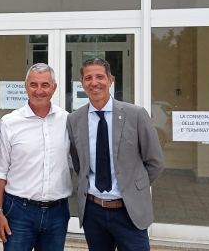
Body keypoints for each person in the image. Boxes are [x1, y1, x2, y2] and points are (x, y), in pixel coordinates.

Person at [67, 57, 164, 251]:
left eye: (100, 77)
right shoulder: (74, 119)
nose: (94, 82)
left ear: (110, 80)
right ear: (82, 82)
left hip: (129, 212)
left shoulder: (136, 115)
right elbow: (79, 164)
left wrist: (134, 188)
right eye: (88, 78)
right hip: (93, 212)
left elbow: (155, 162)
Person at [0, 63, 72, 251]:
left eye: (45, 85)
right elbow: (0, 170)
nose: (39, 91)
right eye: (33, 85)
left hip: (58, 213)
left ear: (54, 87)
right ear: (26, 86)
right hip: (18, 212)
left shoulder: (67, 120)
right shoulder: (10, 123)